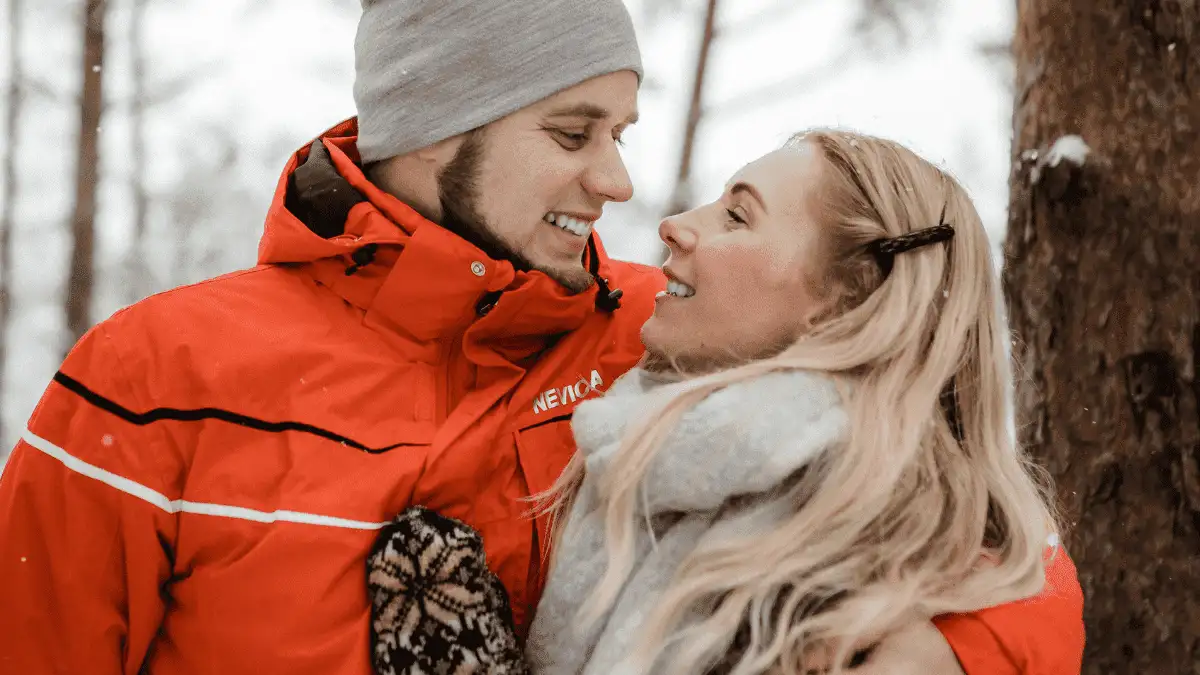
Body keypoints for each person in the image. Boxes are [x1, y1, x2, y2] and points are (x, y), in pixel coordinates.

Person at [0, 2, 657, 673]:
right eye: (573, 135)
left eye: (620, 136)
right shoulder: (155, 375)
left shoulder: (660, 339)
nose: (616, 183)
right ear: (434, 123)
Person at [365, 131, 1085, 675]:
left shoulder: (882, 544)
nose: (674, 222)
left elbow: (1019, 565)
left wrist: (970, 650)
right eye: (568, 132)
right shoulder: (632, 385)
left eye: (738, 217)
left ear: (843, 299)